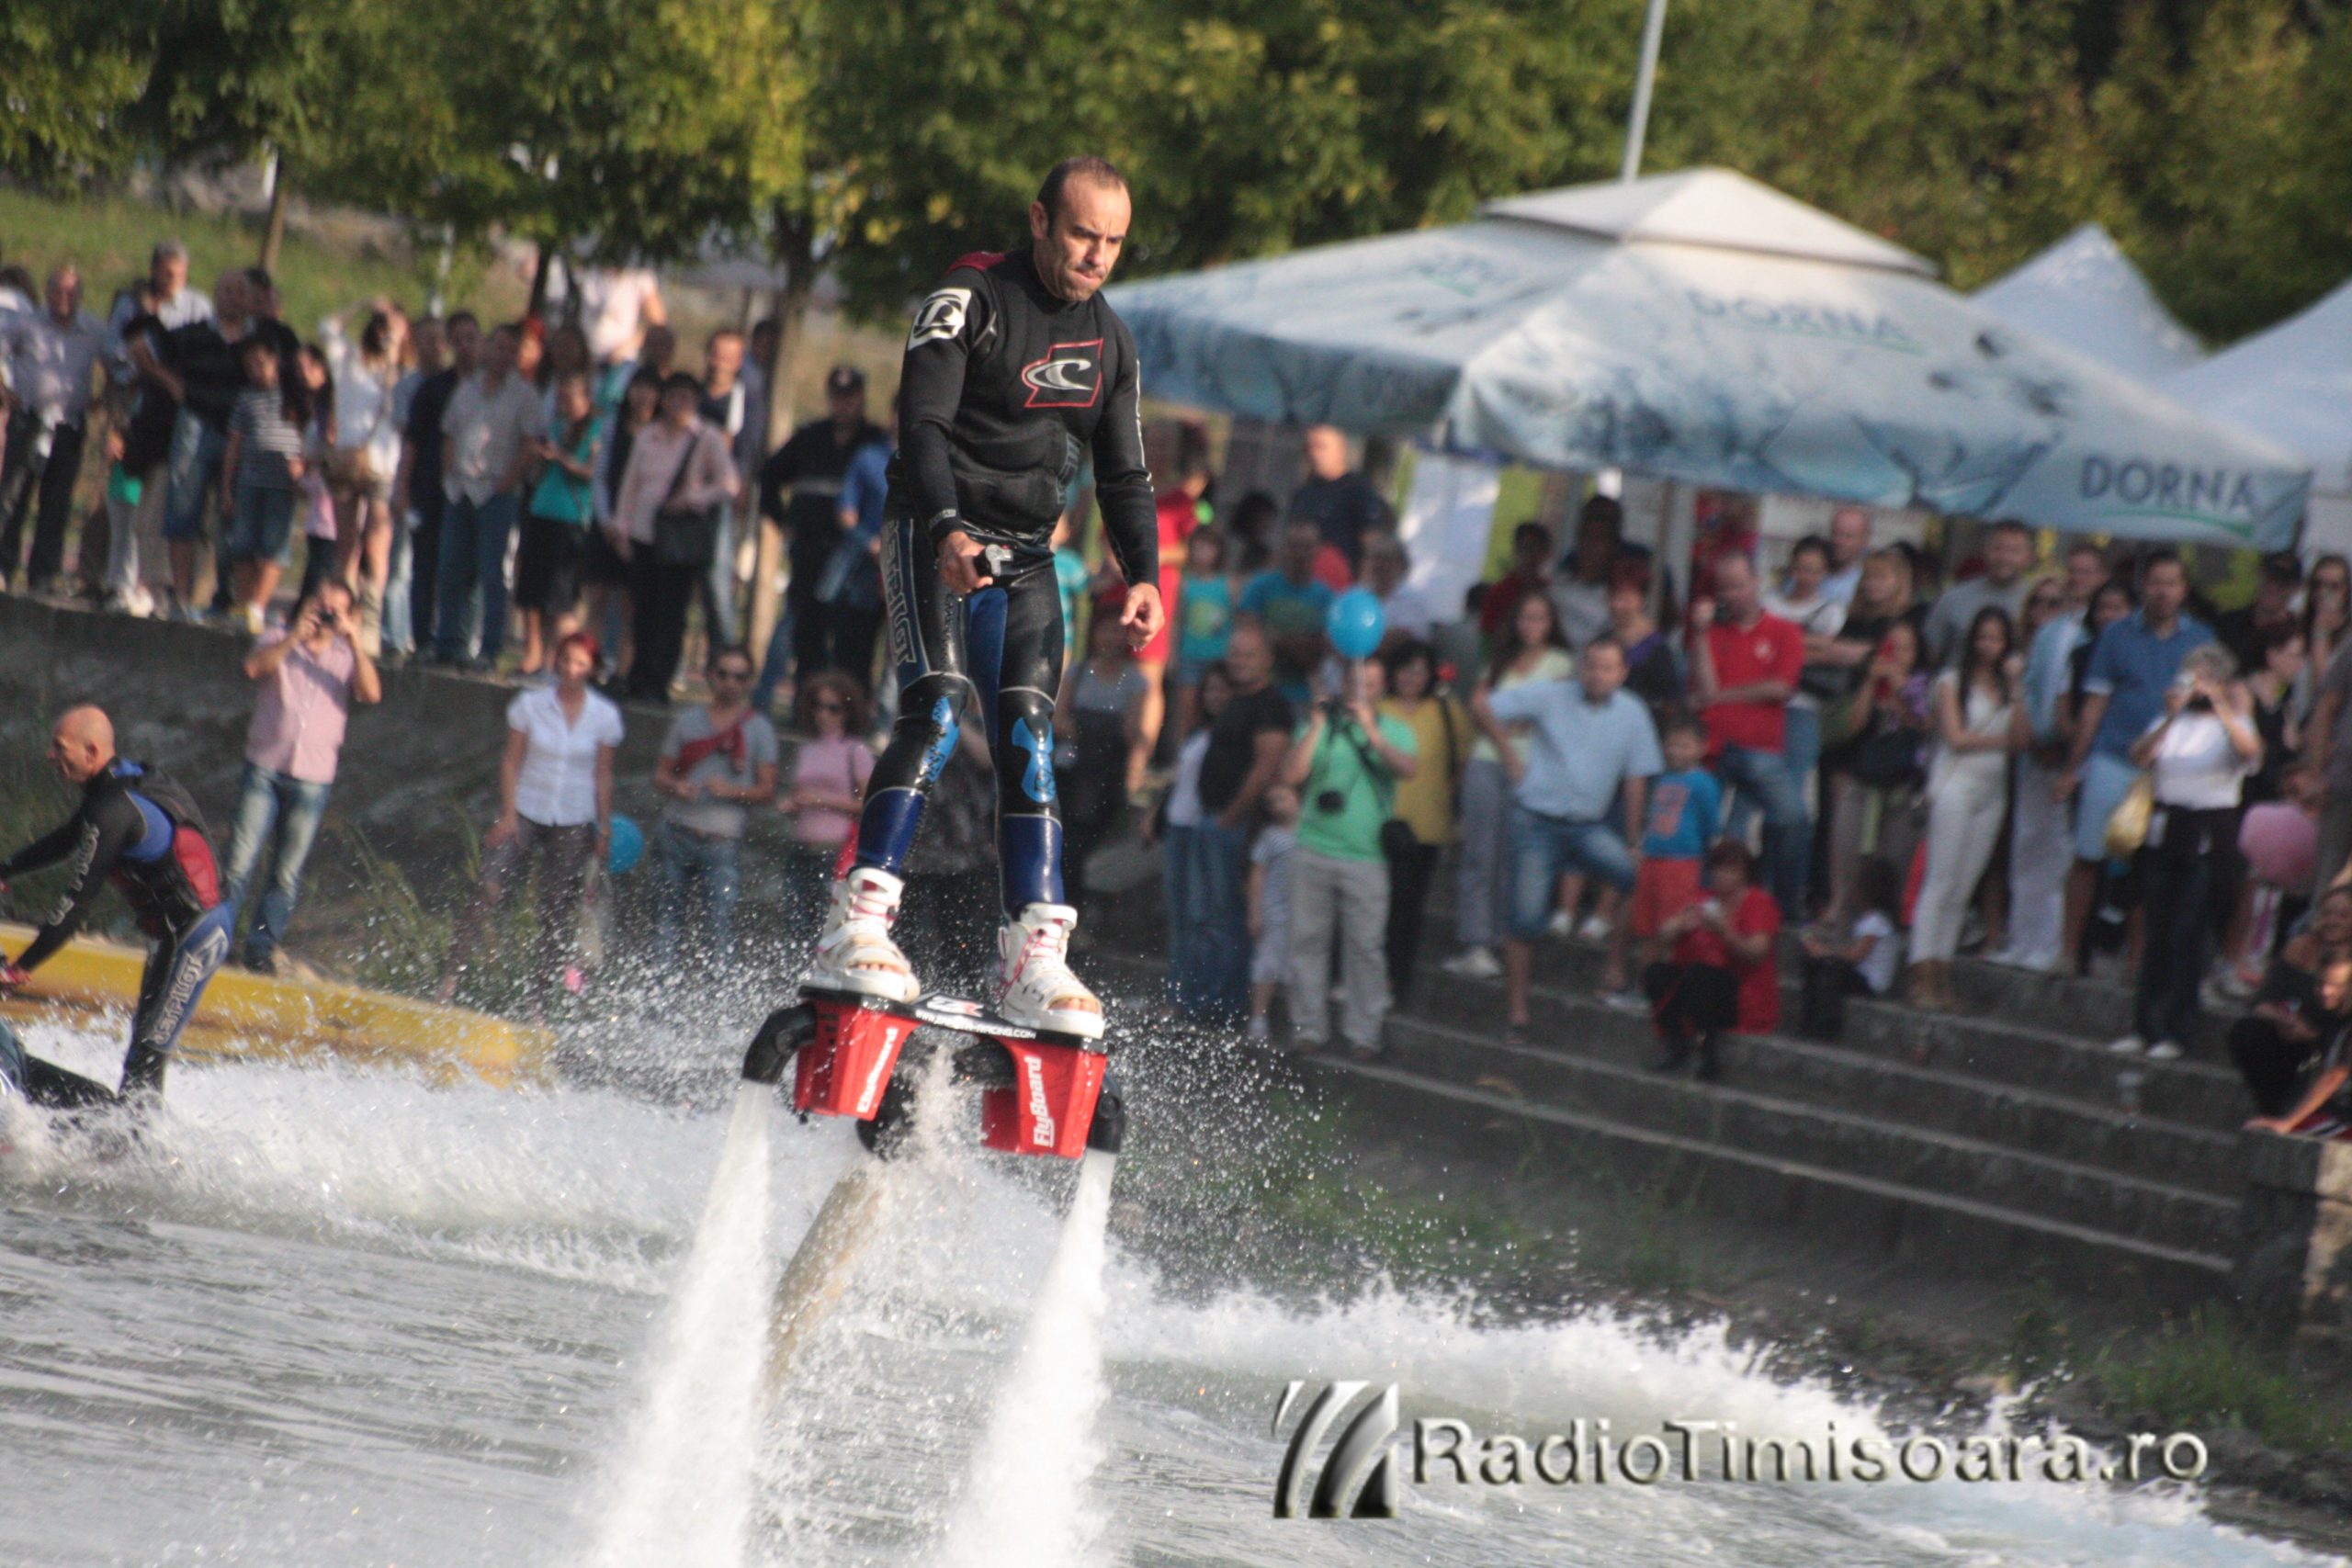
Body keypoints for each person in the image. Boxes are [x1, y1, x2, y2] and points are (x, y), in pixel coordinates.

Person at [806, 157, 1165, 1038]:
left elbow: (1125, 474)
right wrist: (945, 530)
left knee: (1030, 737)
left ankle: (1033, 952)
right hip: (933, 529)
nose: (1097, 255)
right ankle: (860, 915)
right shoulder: (971, 295)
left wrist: (1144, 573)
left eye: (1114, 241)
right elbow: (922, 422)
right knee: (935, 708)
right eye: (1082, 234)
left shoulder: (1113, 343)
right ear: (1040, 220)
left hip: (1029, 554)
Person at [0, 707, 232, 1103]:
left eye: (59, 747)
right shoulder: (116, 785)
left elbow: (76, 905)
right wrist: (7, 868)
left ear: (91, 751)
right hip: (176, 933)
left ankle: (140, 1139)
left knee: (148, 1053)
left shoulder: (113, 809)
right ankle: (128, 1130)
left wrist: (22, 966)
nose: (50, 755)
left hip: (197, 934)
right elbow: (66, 839)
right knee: (142, 1047)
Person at [1476, 635, 1661, 1043]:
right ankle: (1518, 1014)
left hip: (1588, 825)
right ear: (1581, 667)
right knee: (1525, 920)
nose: (1597, 674)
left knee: (1641, 877)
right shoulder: (1552, 695)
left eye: (1607, 667)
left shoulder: (1633, 712)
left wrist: (1634, 840)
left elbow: (1636, 780)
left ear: (1622, 672)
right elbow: (1483, 703)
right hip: (1536, 821)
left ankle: (1614, 965)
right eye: (1591, 665)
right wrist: (1509, 754)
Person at [436, 634, 622, 1017]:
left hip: (573, 815)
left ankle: (538, 1001)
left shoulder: (603, 716)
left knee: (555, 909)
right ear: (556, 662)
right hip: (527, 807)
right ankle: (449, 978)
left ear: (592, 670)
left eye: (580, 664)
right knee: (488, 887)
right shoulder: (531, 705)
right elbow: (511, 761)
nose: (571, 670)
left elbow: (602, 774)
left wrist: (603, 826)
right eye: (566, 661)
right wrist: (508, 814)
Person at [2059, 550, 2211, 974]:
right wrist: (2073, 768)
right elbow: (2094, 704)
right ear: (2143, 586)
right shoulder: (2116, 636)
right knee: (2089, 855)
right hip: (2113, 757)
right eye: (2156, 582)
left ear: (2184, 590)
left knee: (2149, 865)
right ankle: (2068, 952)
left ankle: (2137, 960)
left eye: (2171, 583)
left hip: (2168, 768)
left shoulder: (2201, 640)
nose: (2163, 592)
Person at [223, 581, 380, 974]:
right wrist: (295, 637)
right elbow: (252, 668)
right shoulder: (278, 638)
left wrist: (354, 639)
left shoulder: (346, 656)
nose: (325, 614)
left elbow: (371, 693)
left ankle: (260, 949)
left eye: (334, 609)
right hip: (265, 765)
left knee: (286, 872)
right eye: (320, 604)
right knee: (239, 862)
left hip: (313, 776)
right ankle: (217, 938)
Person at [2113, 641, 2258, 1059]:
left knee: (2188, 933)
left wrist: (2222, 706)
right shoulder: (2171, 720)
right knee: (2156, 930)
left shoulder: (2234, 722)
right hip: (2166, 829)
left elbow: (2250, 753)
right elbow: (2140, 755)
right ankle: (2145, 1025)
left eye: (2207, 677)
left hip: (2208, 834)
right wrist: (2172, 716)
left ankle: (2177, 1030)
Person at [1283, 657, 1418, 1056]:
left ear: (1382, 688)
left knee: (1365, 946)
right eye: (1355, 681)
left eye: (1370, 683)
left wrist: (1371, 731)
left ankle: (1365, 1032)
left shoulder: (1396, 729)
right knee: (1307, 941)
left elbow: (1408, 768)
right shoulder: (1321, 723)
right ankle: (1308, 1026)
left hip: (1367, 855)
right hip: (1314, 846)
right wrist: (1317, 725)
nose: (1361, 688)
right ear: (1342, 683)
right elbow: (1291, 774)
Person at [1442, 589, 1573, 979]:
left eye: (1539, 618)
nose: (1531, 625)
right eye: (1525, 617)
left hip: (1533, 769)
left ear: (1550, 623)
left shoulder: (1561, 662)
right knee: (1479, 853)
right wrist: (1507, 739)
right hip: (1488, 760)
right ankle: (1476, 941)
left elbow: (1557, 715)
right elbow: (1478, 706)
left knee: (1513, 856)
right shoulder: (1500, 659)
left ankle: (1502, 939)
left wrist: (1508, 719)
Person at [1991, 547, 2108, 971]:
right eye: (2073, 571)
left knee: (2060, 852)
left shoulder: (2100, 634)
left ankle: (2051, 944)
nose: (2078, 579)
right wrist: (2033, 739)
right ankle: (2023, 939)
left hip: (2073, 757)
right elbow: (2033, 687)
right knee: (2027, 846)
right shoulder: (2050, 631)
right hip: (2035, 755)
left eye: (2087, 572)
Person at [1905, 606, 2025, 1010]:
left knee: (1963, 887)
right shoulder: (1951, 681)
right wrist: (2002, 743)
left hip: (1992, 792)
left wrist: (2017, 686)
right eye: (1983, 637)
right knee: (1941, 881)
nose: (1989, 646)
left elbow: (2023, 735)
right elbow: (1956, 737)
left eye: (1997, 639)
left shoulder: (2009, 688)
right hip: (1955, 785)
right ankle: (1921, 970)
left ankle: (1942, 972)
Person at [1690, 552, 1810, 916]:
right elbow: (1705, 687)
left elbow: (1782, 688)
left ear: (1756, 582)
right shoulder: (1713, 633)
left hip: (1761, 748)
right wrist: (1699, 634)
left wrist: (1723, 696)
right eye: (1725, 588)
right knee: (1708, 828)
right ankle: (1705, 904)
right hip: (1713, 747)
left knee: (1793, 819)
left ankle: (1783, 907)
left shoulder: (1784, 631)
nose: (1733, 595)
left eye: (1739, 586)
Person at [650, 645, 778, 976]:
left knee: (720, 924)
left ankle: (720, 993)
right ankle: (658, 989)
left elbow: (768, 790)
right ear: (710, 677)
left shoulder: (759, 728)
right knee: (665, 920)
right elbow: (661, 775)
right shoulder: (687, 720)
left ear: (748, 682)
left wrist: (732, 791)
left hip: (722, 840)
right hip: (677, 830)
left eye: (739, 676)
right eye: (723, 674)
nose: (730, 683)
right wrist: (677, 787)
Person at [613, 372, 740, 703]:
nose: (679, 404)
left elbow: (729, 484)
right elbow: (631, 484)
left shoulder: (706, 437)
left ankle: (659, 682)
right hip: (643, 533)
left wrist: (693, 498)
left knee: (671, 613)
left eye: (686, 397)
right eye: (673, 396)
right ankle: (637, 676)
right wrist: (621, 526)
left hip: (679, 540)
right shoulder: (648, 435)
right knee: (642, 611)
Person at [1189, 625, 1293, 1022]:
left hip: (1236, 825)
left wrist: (1231, 816)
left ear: (1267, 659)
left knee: (1227, 918)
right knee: (1208, 917)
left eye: (1248, 654)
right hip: (1212, 816)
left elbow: (1265, 767)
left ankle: (1226, 1006)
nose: (1239, 662)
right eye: (1234, 653)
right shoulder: (1236, 700)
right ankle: (1205, 999)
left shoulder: (1271, 705)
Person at [758, 365, 888, 683]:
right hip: (810, 548)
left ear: (862, 398)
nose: (844, 404)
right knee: (806, 629)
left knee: (853, 637)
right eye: (838, 397)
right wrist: (782, 521)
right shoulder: (809, 436)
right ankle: (807, 697)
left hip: (856, 557)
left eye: (850, 397)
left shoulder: (875, 443)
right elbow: (769, 476)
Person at [434, 321, 542, 670]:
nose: (502, 354)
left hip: (496, 493)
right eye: (497, 346)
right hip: (460, 489)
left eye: (511, 349)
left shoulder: (525, 394)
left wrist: (509, 481)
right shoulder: (467, 387)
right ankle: (448, 643)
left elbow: (531, 443)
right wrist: (448, 475)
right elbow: (449, 432)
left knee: (492, 574)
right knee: (452, 569)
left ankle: (489, 649)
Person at [0, 266, 105, 593]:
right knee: (14, 495)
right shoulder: (27, 323)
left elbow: (118, 364)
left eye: (71, 292)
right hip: (29, 419)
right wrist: (5, 392)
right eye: (58, 291)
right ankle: (4, 567)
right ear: (46, 293)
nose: (64, 298)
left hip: (68, 425)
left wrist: (101, 399)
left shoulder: (92, 329)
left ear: (80, 295)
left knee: (57, 502)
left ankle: (43, 575)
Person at [1643, 840, 1779, 1082]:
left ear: (1744, 873)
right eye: (1718, 868)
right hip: (1698, 984)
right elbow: (1662, 937)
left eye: (1730, 869)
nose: (1721, 875)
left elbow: (1757, 953)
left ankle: (1709, 1054)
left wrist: (1725, 933)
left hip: (1738, 993)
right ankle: (1676, 1043)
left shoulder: (1758, 902)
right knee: (1656, 973)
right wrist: (1677, 927)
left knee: (1701, 975)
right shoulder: (1702, 899)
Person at [1823, 619, 1931, 921]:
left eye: (1905, 649)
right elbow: (1853, 725)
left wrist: (1899, 689)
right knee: (1848, 851)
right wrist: (1871, 684)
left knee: (1894, 860)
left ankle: (1885, 923)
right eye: (1892, 647)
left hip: (1902, 785)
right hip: (1863, 777)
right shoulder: (1866, 678)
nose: (1897, 655)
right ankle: (1844, 913)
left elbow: (1922, 726)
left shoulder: (1922, 684)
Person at [1612, 714, 1721, 1012]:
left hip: (1682, 864)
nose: (1675, 751)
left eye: (1684, 745)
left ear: (1701, 747)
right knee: (1647, 929)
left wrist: (1706, 865)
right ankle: (1644, 987)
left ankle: (1665, 991)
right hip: (1652, 862)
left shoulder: (1704, 783)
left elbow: (1711, 827)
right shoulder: (1663, 779)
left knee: (1670, 929)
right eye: (1671, 744)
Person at [319, 301, 411, 650]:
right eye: (382, 325)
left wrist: (396, 347)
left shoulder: (402, 372)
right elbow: (327, 327)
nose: (385, 332)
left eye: (393, 327)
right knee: (346, 543)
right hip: (347, 459)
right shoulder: (349, 361)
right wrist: (361, 307)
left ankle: (370, 620)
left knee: (376, 543)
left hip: (383, 464)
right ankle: (342, 611)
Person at [1378, 639, 1465, 1004]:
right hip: (1379, 823)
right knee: (1375, 906)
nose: (1412, 678)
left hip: (1427, 826)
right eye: (1405, 669)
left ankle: (1397, 981)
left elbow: (1462, 760)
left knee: (1407, 908)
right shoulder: (1377, 708)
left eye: (1420, 671)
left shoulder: (1446, 710)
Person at [1054, 608, 1148, 910]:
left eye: (1116, 631)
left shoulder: (1135, 680)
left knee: (1087, 839)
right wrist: (1089, 732)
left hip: (1107, 770)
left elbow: (1133, 730)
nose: (1110, 638)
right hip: (1072, 766)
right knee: (1067, 841)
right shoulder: (1078, 672)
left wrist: (1133, 767)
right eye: (1104, 630)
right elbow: (1058, 719)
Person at [1152, 661, 1232, 1019]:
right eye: (1210, 689)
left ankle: (1200, 999)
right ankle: (1178, 996)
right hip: (1178, 827)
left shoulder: (1230, 735)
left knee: (1203, 918)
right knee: (1180, 919)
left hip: (1202, 830)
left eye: (1221, 689)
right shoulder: (1197, 731)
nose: (1214, 696)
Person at [2231, 886, 2352, 1119]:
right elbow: (2263, 1001)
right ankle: (2272, 1108)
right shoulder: (2301, 948)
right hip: (2296, 1033)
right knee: (2248, 1032)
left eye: (2343, 915)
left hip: (2337, 1043)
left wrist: (2317, 1035)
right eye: (2327, 913)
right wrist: (2289, 1021)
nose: (2332, 921)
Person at [513, 370, 604, 676]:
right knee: (532, 592)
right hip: (541, 510)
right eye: (561, 398)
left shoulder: (597, 430)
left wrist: (561, 457)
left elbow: (592, 473)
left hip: (570, 518)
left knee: (560, 598)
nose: (564, 405)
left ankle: (566, 660)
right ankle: (535, 655)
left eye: (570, 398)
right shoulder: (556, 426)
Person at [393, 311, 473, 656]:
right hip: (429, 487)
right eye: (459, 339)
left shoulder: (484, 388)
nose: (466, 346)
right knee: (424, 564)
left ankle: (458, 639)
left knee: (462, 568)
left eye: (472, 338)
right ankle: (423, 639)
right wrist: (402, 487)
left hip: (469, 489)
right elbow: (411, 441)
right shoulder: (434, 387)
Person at [778, 671, 877, 945]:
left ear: (848, 711)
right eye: (818, 706)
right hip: (801, 846)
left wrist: (822, 801)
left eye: (833, 708)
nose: (824, 714)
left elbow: (870, 804)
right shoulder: (807, 749)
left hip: (835, 851)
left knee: (828, 925)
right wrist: (793, 804)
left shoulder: (856, 751)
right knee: (795, 926)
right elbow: (800, 793)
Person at [219, 333, 309, 630]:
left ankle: (258, 605)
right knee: (243, 545)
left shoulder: (293, 395)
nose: (256, 371)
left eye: (261, 363)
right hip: (250, 481)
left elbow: (308, 435)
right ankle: (246, 606)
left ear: (275, 362)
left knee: (274, 547)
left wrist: (302, 470)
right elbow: (234, 444)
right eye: (250, 366)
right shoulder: (246, 399)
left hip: (282, 483)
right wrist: (227, 488)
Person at [1765, 534, 1847, 849]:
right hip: (1766, 705)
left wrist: (1783, 643)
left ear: (1825, 573)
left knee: (1793, 791)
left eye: (1814, 570)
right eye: (1801, 568)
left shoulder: (1831, 610)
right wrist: (1807, 644)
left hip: (1804, 707)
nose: (1806, 576)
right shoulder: (1770, 602)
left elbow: (1830, 650)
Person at [587, 366, 659, 690]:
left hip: (639, 528)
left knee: (631, 604)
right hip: (607, 523)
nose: (643, 395)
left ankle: (623, 673)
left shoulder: (658, 434)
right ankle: (589, 664)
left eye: (650, 389)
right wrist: (606, 521)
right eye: (638, 388)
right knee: (598, 597)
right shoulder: (611, 427)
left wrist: (629, 526)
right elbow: (600, 477)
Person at [1797, 854, 1903, 1041]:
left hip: (1872, 983)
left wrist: (1824, 953)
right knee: (1816, 966)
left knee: (1829, 969)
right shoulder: (1867, 920)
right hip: (1860, 976)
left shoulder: (1877, 922)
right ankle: (1808, 1021)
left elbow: (1856, 955)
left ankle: (1826, 1026)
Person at [1239, 518, 1339, 705]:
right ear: (1283, 548)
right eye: (1294, 546)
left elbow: (1319, 654)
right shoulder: (1260, 586)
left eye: (1307, 547)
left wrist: (1279, 640)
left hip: (1305, 697)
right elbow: (1249, 638)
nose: (1300, 554)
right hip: (1259, 693)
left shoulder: (1327, 598)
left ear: (1318, 550)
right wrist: (1302, 642)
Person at [1921, 520, 2033, 670]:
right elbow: (1932, 653)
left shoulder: (2038, 601)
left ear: (2029, 557)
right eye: (1997, 548)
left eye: (2014, 551)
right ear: (1985, 551)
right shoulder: (1954, 598)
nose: (2004, 557)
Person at [1288, 423, 1392, 573]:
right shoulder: (1304, 492)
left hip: (1341, 579)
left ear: (1340, 449)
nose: (1314, 454)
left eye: (1321, 446)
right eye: (1310, 447)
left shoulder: (1358, 490)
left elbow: (1372, 541)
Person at [1170, 525, 1235, 742]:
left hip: (1220, 659)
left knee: (1220, 712)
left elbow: (1237, 621)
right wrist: (1172, 655)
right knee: (1187, 714)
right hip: (1190, 656)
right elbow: (1177, 621)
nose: (1203, 553)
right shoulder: (1185, 583)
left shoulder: (1229, 584)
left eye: (1208, 547)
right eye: (1197, 548)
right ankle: (1184, 753)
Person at [1247, 783, 1301, 1043]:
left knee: (1296, 968)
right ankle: (1258, 1018)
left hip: (1302, 911)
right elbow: (1257, 873)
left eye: (1283, 798)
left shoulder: (1311, 833)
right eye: (1272, 802)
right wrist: (1255, 911)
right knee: (1267, 964)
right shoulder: (1270, 836)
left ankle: (1298, 1021)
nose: (1279, 805)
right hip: (1275, 910)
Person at [1610, 558, 1683, 712]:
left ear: (1642, 600)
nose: (1617, 605)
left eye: (1626, 599)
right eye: (1614, 597)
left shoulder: (1657, 648)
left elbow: (1670, 701)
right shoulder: (1603, 639)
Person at [2216, 552, 2303, 676]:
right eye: (2269, 579)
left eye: (2282, 584)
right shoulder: (2229, 622)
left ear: (2296, 588)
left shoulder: (2296, 636)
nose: (2273, 587)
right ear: (2260, 575)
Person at [1478, 521, 1554, 639]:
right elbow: (1487, 634)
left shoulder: (1551, 591)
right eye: (1526, 548)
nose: (1531, 555)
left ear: (1546, 553)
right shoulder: (1500, 592)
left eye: (1537, 549)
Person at [1361, 531, 1437, 644]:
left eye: (1385, 559)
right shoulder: (1360, 596)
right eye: (1374, 558)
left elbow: (1402, 637)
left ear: (1400, 564)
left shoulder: (1412, 598)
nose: (1378, 565)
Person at [1819, 505, 1871, 605]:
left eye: (1848, 536)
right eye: (1835, 533)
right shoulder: (1810, 572)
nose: (1839, 541)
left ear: (1864, 540)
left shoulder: (1868, 582)